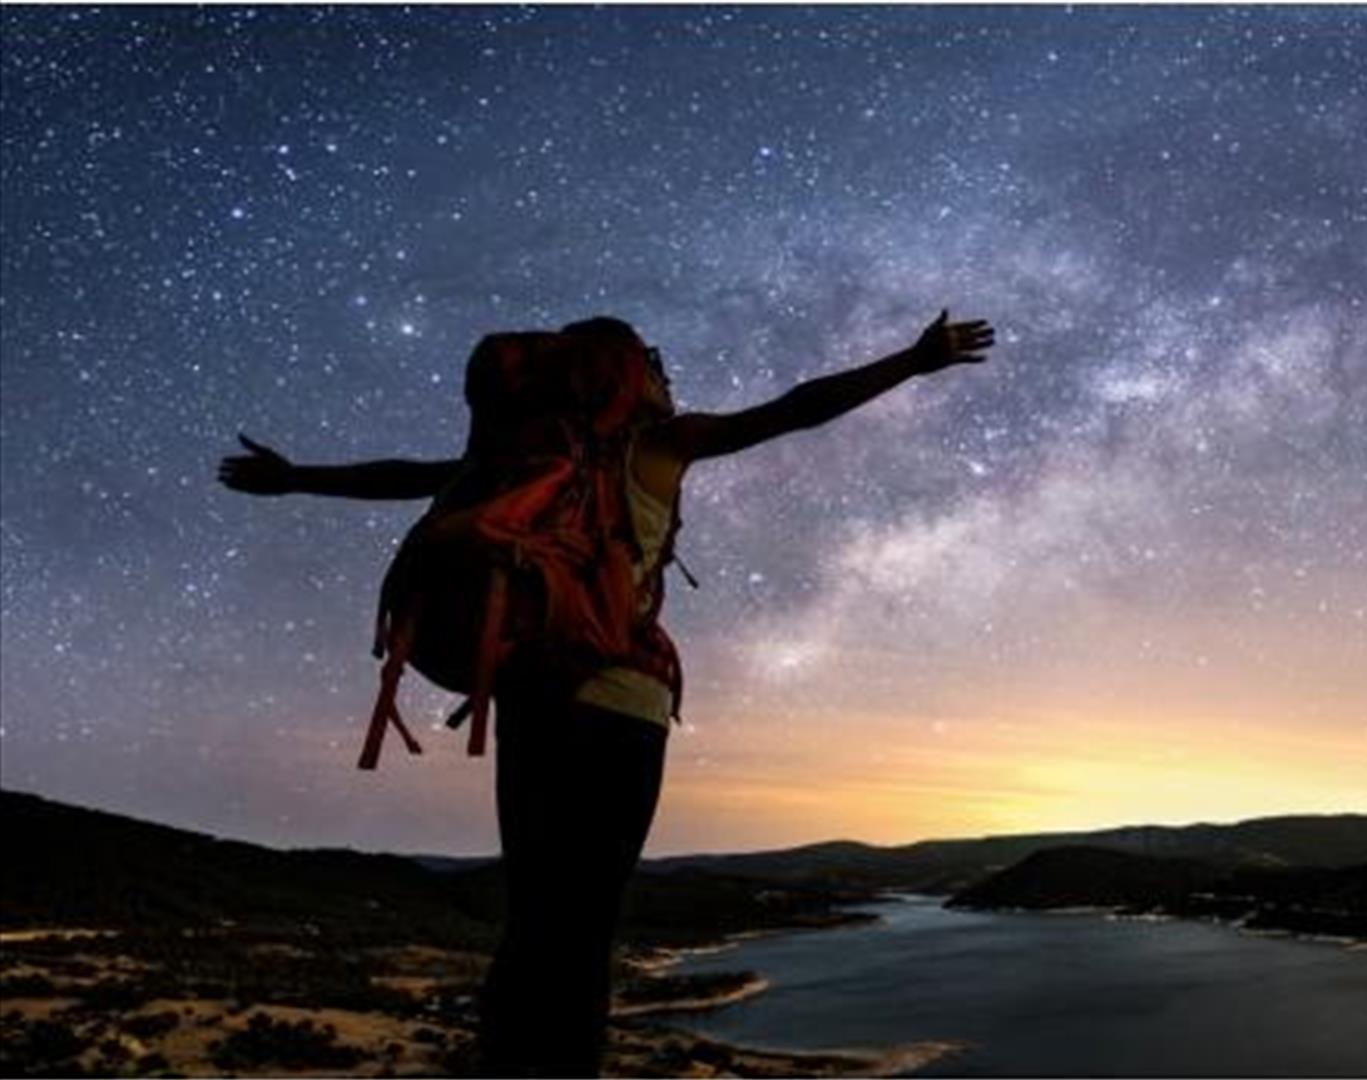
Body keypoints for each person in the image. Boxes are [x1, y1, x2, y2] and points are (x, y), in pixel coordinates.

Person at [218, 310, 994, 1076]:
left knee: (534, 921)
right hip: (623, 703)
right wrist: (911, 361)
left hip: (534, 697)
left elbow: (404, 477)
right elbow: (795, 409)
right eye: (654, 362)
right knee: (585, 932)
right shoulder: (661, 445)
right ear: (621, 378)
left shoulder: (516, 460)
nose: (667, 373)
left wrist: (296, 479)